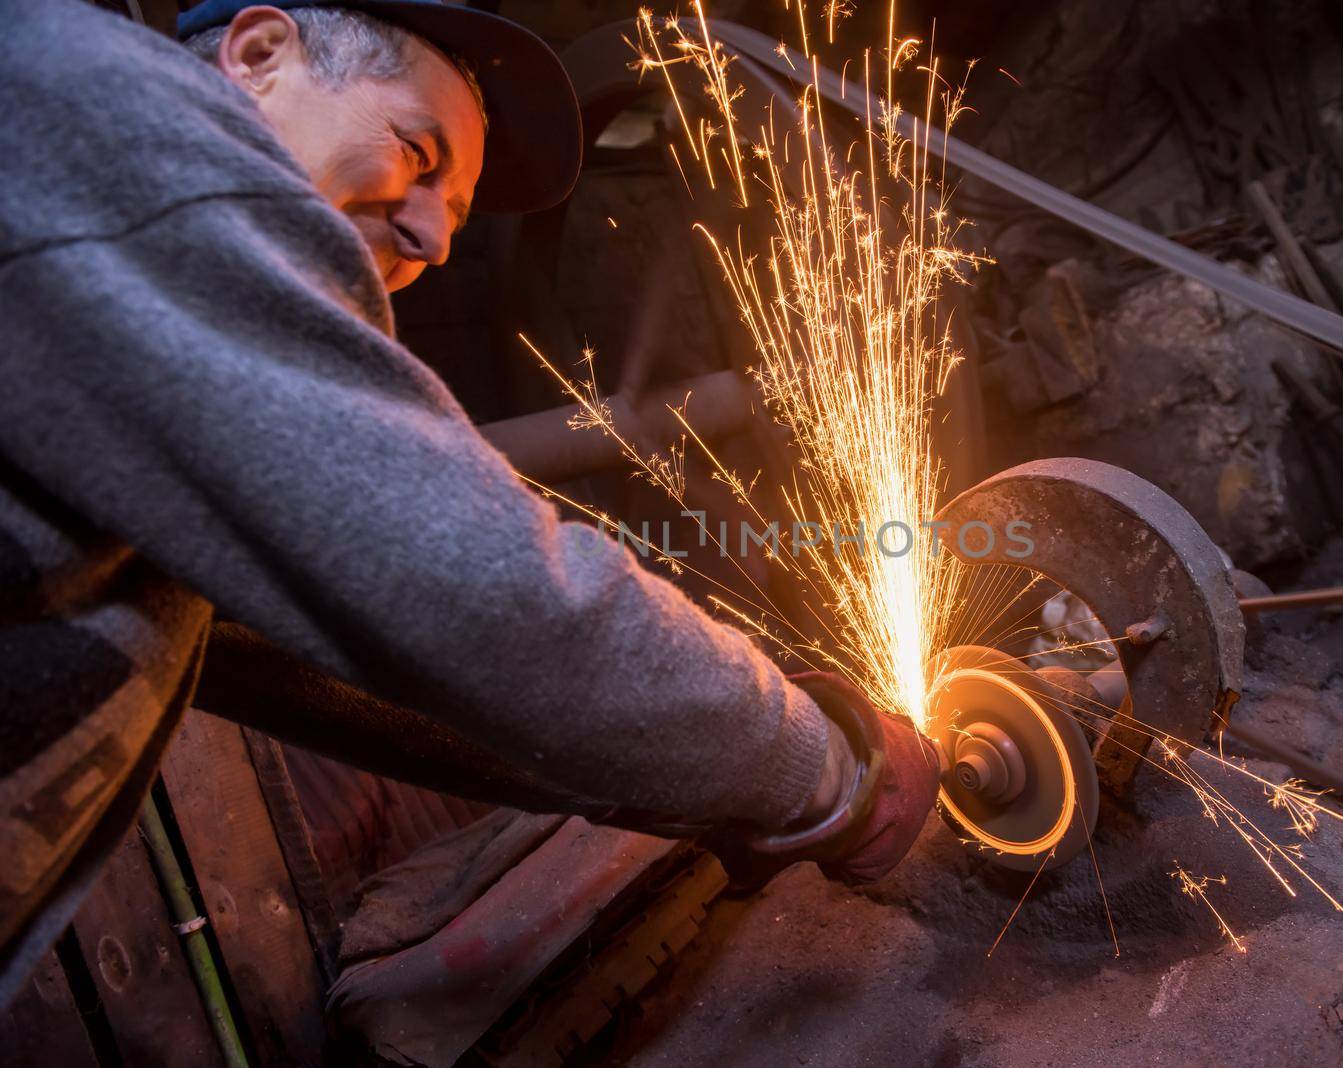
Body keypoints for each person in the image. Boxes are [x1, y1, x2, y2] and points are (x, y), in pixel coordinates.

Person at [0, 0, 941, 1005]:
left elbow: (393, 670)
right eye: (417, 151)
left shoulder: (150, 390)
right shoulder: (93, 111)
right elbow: (480, 593)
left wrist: (732, 762)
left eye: (457, 206)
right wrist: (817, 769)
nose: (435, 235)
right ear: (259, 53)